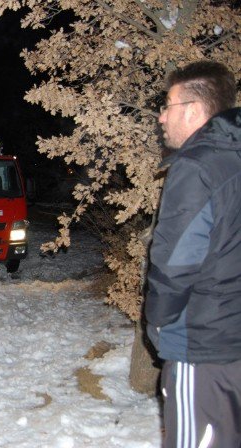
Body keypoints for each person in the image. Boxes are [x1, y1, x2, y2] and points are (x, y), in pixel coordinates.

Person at [145, 60, 240, 448]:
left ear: (194, 110)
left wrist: (160, 325)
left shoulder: (197, 167)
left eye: (168, 105)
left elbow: (175, 265)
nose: (161, 115)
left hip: (202, 343)